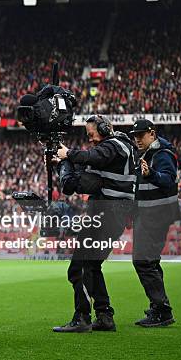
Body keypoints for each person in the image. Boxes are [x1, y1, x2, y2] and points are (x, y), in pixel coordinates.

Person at [53, 115, 136, 333]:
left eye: (92, 134)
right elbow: (82, 178)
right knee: (91, 265)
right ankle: (104, 316)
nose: (90, 140)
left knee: (78, 267)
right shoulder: (118, 150)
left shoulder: (114, 146)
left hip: (107, 213)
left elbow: (93, 158)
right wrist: (66, 161)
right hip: (111, 214)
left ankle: (81, 317)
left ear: (104, 128)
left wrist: (68, 154)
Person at [130, 119, 179, 327]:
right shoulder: (148, 154)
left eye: (141, 135)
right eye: (135, 136)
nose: (137, 139)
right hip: (150, 212)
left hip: (156, 213)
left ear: (152, 134)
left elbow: (169, 180)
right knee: (150, 261)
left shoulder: (162, 154)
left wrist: (152, 174)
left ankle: (162, 309)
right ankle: (159, 307)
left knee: (143, 261)